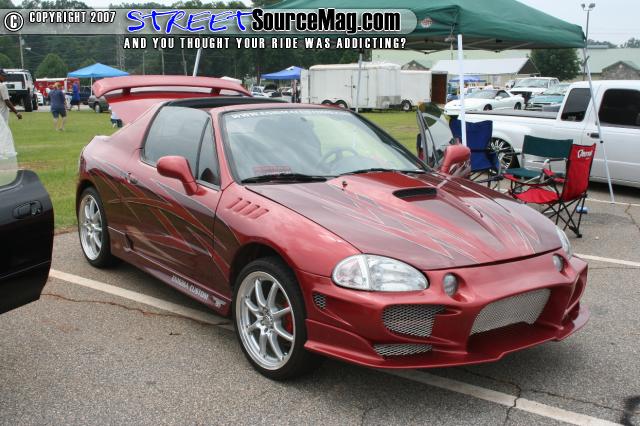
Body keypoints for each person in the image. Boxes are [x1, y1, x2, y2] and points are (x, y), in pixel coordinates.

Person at [0, 69, 22, 159]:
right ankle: (3, 152)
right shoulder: (2, 86)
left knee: (5, 133)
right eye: (3, 75)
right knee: (4, 133)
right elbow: (7, 101)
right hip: (1, 114)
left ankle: (7, 152)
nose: (5, 77)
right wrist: (17, 112)